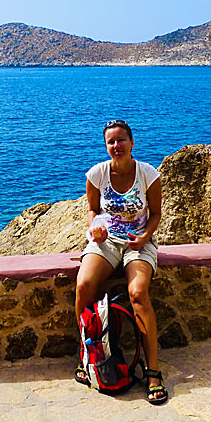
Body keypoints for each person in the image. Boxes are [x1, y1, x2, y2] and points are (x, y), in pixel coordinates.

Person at [74, 119, 167, 405]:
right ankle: (87, 354)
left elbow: (156, 214)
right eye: (111, 142)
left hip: (138, 242)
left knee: (138, 294)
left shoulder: (148, 174)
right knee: (84, 284)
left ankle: (153, 372)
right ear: (106, 146)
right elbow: (92, 210)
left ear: (132, 143)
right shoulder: (97, 174)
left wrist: (144, 237)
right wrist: (95, 230)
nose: (116, 146)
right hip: (106, 240)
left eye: (121, 140)